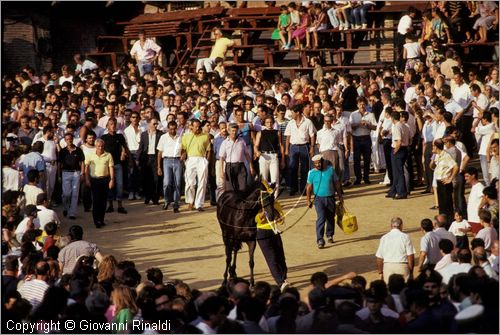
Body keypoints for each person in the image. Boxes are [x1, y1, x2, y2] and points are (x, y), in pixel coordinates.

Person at [306, 154, 343, 249]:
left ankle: (330, 235)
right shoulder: (311, 173)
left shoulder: (331, 170)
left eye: (319, 162)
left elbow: (337, 183)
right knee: (321, 218)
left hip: (330, 198)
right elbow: (309, 187)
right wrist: (308, 200)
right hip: (318, 199)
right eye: (315, 163)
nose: (317, 165)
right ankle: (320, 239)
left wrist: (340, 196)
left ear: (323, 161)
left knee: (330, 217)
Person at [284, 103, 316, 196]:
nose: (291, 115)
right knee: (292, 168)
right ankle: (293, 188)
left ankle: (303, 189)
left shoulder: (308, 122)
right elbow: (287, 137)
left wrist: (312, 147)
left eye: (293, 113)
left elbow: (312, 135)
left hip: (304, 146)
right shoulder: (290, 123)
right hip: (293, 147)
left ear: (298, 113)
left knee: (305, 168)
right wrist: (287, 149)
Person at [181, 119, 211, 211]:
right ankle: (190, 201)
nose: (198, 128)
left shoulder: (205, 136)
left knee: (202, 182)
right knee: (189, 183)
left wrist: (207, 161)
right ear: (191, 127)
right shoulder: (186, 136)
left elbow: (209, 150)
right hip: (190, 159)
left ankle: (199, 204)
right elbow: (183, 149)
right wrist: (183, 156)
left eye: (199, 126)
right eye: (196, 126)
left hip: (201, 159)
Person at [101, 118, 130, 214]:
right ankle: (110, 205)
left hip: (118, 164)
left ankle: (120, 205)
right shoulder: (104, 138)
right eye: (111, 124)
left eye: (114, 124)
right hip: (108, 165)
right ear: (107, 126)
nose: (113, 126)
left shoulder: (120, 136)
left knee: (120, 184)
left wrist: (123, 153)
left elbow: (124, 147)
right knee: (109, 185)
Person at [85, 138, 114, 228]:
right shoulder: (90, 155)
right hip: (94, 180)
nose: (100, 148)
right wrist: (87, 179)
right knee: (96, 201)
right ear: (95, 146)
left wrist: (112, 180)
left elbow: (111, 168)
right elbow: (86, 168)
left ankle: (101, 220)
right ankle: (96, 221)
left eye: (102, 146)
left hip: (105, 180)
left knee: (103, 201)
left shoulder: (108, 155)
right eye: (98, 146)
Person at [376, 217, 416, 282]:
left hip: (388, 267)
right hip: (402, 266)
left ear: (391, 226)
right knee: (403, 289)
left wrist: (380, 272)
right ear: (401, 226)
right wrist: (411, 272)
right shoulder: (405, 237)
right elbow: (410, 256)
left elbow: (379, 258)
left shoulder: (384, 238)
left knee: (389, 288)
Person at [349, 97, 377, 185]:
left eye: (363, 104)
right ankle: (358, 178)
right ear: (357, 105)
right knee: (356, 159)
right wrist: (358, 124)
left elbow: (375, 127)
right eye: (360, 104)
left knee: (367, 159)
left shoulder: (370, 114)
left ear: (366, 104)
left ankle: (366, 177)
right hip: (356, 138)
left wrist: (368, 124)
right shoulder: (353, 114)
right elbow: (350, 127)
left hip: (366, 137)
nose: (362, 106)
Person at [219, 123, 254, 192]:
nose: (234, 133)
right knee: (230, 188)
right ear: (228, 131)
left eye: (235, 131)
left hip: (241, 166)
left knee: (242, 187)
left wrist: (251, 167)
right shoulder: (225, 142)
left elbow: (247, 155)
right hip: (230, 166)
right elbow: (221, 158)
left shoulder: (242, 141)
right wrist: (221, 170)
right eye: (232, 131)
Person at [254, 115, 284, 193]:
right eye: (267, 122)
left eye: (271, 122)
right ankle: (264, 197)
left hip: (274, 155)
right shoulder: (260, 133)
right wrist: (257, 152)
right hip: (263, 156)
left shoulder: (277, 132)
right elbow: (256, 145)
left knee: (275, 178)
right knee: (263, 179)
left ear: (273, 123)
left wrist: (283, 158)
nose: (269, 124)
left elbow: (281, 145)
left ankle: (274, 198)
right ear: (264, 123)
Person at [431, 138, 459, 222]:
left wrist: (450, 178)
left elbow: (456, 166)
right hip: (439, 183)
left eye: (433, 146)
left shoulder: (446, 155)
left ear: (436, 147)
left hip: (445, 183)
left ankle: (448, 223)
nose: (432, 148)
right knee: (442, 206)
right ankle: (443, 222)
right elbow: (432, 166)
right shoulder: (438, 156)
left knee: (447, 206)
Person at [58, 132, 85, 219]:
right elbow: (59, 164)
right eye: (67, 139)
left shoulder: (78, 150)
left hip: (76, 173)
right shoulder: (62, 151)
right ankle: (66, 207)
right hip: (65, 172)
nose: (69, 141)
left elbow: (82, 163)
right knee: (66, 194)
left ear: (73, 139)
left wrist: (82, 173)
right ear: (65, 141)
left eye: (70, 139)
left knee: (75, 194)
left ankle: (72, 213)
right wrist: (59, 175)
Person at [157, 120, 182, 212]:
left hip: (177, 160)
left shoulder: (180, 137)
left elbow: (183, 149)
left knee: (177, 183)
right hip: (166, 160)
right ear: (168, 128)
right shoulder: (163, 137)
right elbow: (159, 152)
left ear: (176, 128)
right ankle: (167, 200)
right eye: (171, 129)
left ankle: (176, 204)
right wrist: (159, 167)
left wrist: (183, 155)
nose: (172, 131)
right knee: (167, 183)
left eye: (174, 129)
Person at [136, 118, 162, 206]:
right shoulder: (144, 134)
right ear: (149, 124)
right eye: (154, 124)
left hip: (155, 157)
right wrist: (137, 159)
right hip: (146, 158)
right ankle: (147, 197)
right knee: (146, 178)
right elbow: (141, 147)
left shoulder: (160, 134)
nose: (155, 125)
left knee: (156, 179)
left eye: (156, 124)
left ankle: (155, 198)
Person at [386, 111, 411, 199]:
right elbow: (409, 139)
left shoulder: (397, 127)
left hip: (398, 150)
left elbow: (399, 141)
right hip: (405, 149)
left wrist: (395, 151)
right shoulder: (405, 126)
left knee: (398, 172)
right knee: (397, 172)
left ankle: (402, 192)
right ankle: (393, 191)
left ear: (392, 118)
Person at [464, 166, 485, 234]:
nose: (465, 178)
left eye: (467, 176)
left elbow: (485, 197)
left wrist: (480, 207)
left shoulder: (479, 186)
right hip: (473, 219)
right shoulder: (474, 186)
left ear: (473, 176)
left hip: (477, 220)